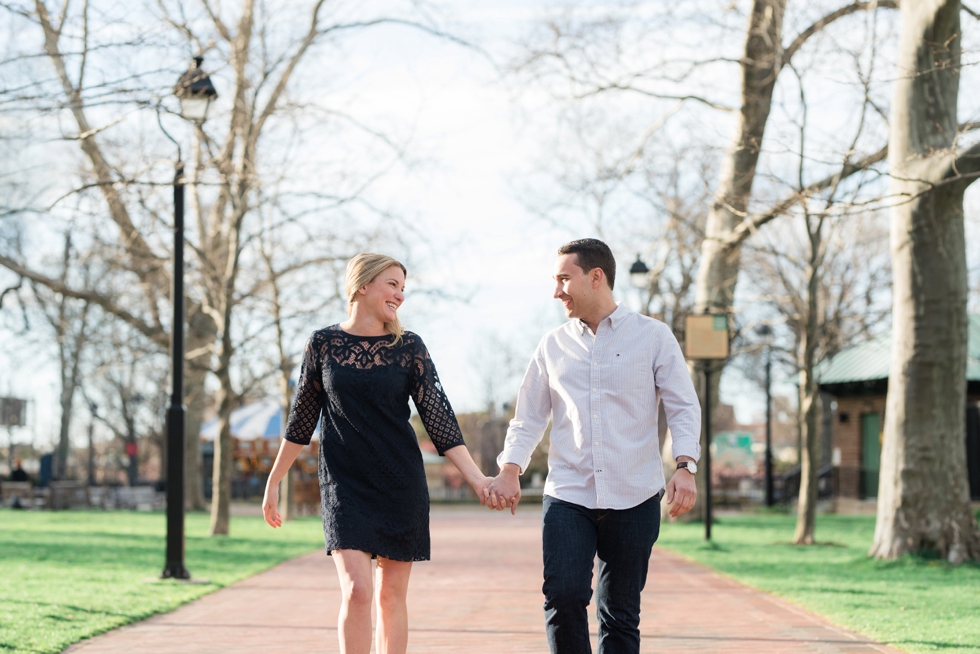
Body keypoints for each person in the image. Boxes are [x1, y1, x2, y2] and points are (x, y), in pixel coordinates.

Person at [262, 253, 491, 654]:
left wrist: (477, 479)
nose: (400, 295)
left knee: (390, 598)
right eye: (392, 284)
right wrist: (274, 480)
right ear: (363, 285)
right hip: (345, 484)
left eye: (403, 287)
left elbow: (440, 422)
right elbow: (301, 421)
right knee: (358, 590)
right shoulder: (322, 344)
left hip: (400, 484)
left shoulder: (409, 347)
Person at [487, 238, 702, 654]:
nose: (557, 291)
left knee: (620, 613)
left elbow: (683, 406)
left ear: (596, 277)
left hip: (635, 493)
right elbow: (529, 415)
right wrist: (510, 469)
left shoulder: (654, 337)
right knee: (563, 597)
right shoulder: (552, 345)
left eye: (564, 279)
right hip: (569, 493)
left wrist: (685, 465)